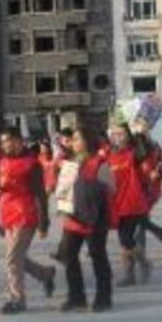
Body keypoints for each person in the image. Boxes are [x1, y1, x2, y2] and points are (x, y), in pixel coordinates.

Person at [0, 128, 57, 314]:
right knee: (16, 257)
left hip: (25, 212)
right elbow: (0, 185)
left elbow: (40, 194)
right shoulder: (1, 160)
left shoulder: (32, 164)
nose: (8, 144)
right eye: (5, 141)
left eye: (12, 140)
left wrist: (44, 221)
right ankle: (45, 274)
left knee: (12, 258)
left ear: (21, 141)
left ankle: (17, 299)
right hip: (7, 211)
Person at [56, 127, 115, 312]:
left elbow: (111, 189)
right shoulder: (69, 164)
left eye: (77, 139)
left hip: (94, 219)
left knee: (98, 256)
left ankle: (103, 297)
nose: (73, 143)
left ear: (88, 141)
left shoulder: (100, 163)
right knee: (68, 255)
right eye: (72, 139)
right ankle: (76, 296)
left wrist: (89, 191)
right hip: (72, 218)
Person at [108, 123, 152, 287]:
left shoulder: (133, 154)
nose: (117, 137)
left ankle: (143, 264)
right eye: (115, 133)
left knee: (126, 238)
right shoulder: (109, 155)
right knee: (123, 240)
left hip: (132, 202)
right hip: (116, 203)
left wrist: (141, 134)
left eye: (121, 134)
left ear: (128, 136)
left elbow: (145, 152)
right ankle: (130, 274)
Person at [133, 123, 162, 250]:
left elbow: (161, 165)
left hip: (150, 188)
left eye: (146, 128)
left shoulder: (154, 146)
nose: (144, 131)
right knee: (141, 219)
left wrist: (157, 172)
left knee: (140, 219)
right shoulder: (134, 146)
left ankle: (140, 249)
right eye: (141, 129)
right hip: (138, 187)